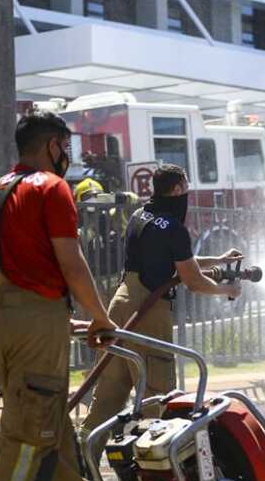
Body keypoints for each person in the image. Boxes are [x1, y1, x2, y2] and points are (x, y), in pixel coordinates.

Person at [0, 112, 115, 481]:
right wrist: (101, 318)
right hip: (36, 321)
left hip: (4, 319)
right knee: (29, 430)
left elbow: (14, 268)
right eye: (65, 146)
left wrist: (57, 317)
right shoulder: (52, 188)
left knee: (51, 426)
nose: (67, 156)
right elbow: (72, 265)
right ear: (51, 145)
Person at [79, 163, 243, 457]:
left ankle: (79, 460)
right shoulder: (175, 228)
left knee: (109, 394)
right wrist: (226, 290)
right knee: (157, 393)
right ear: (178, 188)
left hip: (120, 306)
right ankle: (153, 465)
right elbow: (191, 280)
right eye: (187, 186)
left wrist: (217, 259)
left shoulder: (140, 216)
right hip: (149, 311)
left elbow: (179, 264)